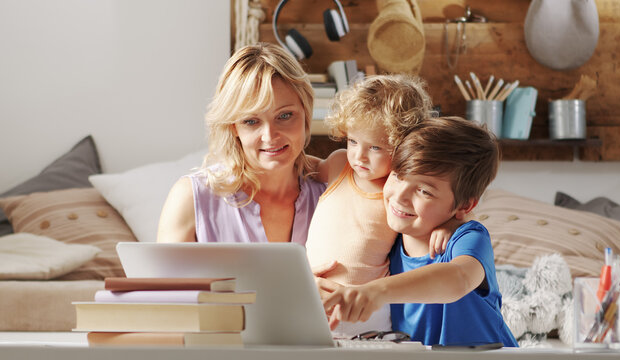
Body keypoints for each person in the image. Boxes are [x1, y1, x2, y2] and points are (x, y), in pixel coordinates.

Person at [322, 117, 519, 347]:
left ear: (464, 206)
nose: (399, 196)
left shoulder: (467, 237)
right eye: (397, 175)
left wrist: (375, 292)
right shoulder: (387, 239)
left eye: (424, 191)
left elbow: (459, 278)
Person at [305, 74, 453, 338]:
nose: (359, 156)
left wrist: (451, 224)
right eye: (352, 141)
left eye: (374, 147)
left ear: (404, 147)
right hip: (311, 297)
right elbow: (300, 166)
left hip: (366, 311)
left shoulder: (400, 190)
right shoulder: (339, 164)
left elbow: (446, 203)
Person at [156, 42, 326, 244]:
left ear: (306, 114)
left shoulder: (332, 192)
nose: (270, 136)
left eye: (285, 115)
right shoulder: (190, 199)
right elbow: (162, 276)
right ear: (233, 126)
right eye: (251, 121)